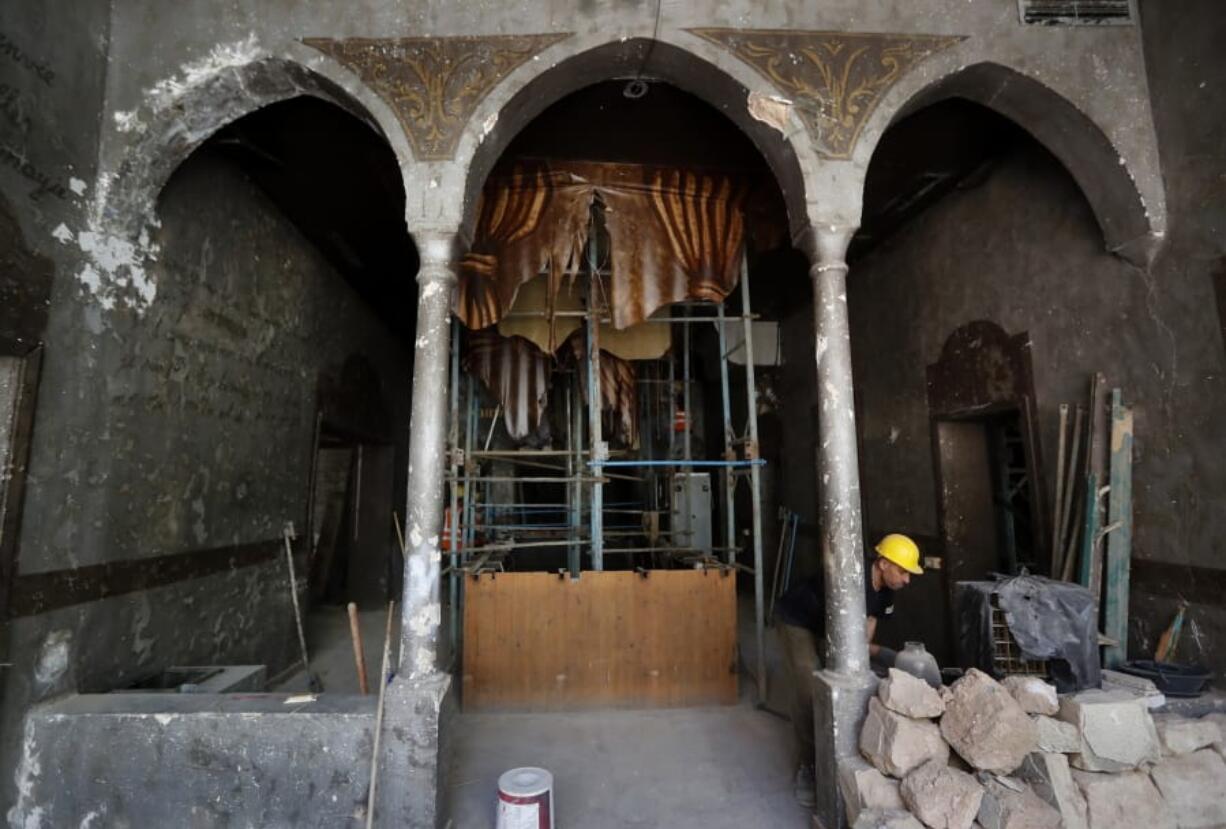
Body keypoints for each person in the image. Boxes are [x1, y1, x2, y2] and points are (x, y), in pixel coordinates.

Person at [774, 533, 923, 807]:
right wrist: (889, 657)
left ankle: (844, 750)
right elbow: (842, 634)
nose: (907, 579)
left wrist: (892, 658)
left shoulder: (886, 592)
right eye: (903, 571)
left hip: (829, 627)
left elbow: (863, 640)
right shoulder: (848, 577)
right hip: (797, 620)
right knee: (809, 688)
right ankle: (808, 767)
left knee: (860, 675)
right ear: (883, 564)